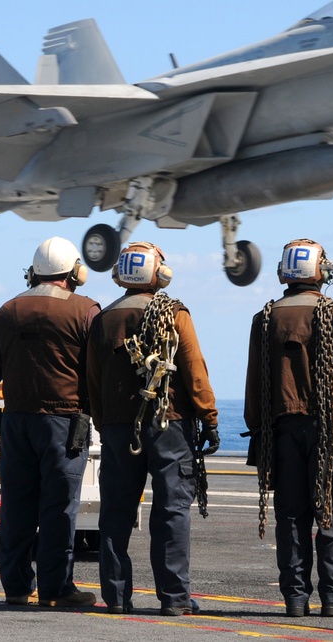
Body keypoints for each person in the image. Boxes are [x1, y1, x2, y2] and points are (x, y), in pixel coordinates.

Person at [87, 241, 219, 616]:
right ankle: (175, 599)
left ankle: (115, 598)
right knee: (172, 511)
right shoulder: (175, 312)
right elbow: (194, 370)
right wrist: (208, 417)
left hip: (116, 428)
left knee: (115, 512)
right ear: (158, 273)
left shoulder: (103, 319)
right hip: (169, 424)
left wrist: (104, 421)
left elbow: (92, 380)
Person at [244, 238, 333, 618]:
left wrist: (257, 432)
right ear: (321, 271)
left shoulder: (264, 318)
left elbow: (255, 383)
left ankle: (295, 599)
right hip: (331, 431)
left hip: (282, 432)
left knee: (291, 516)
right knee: (332, 514)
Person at [0, 236, 99, 608]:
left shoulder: (8, 310)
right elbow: (98, 372)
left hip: (15, 423)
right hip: (64, 423)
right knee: (59, 508)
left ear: (33, 272)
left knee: (17, 507)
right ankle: (56, 589)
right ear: (76, 272)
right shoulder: (86, 311)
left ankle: (16, 587)